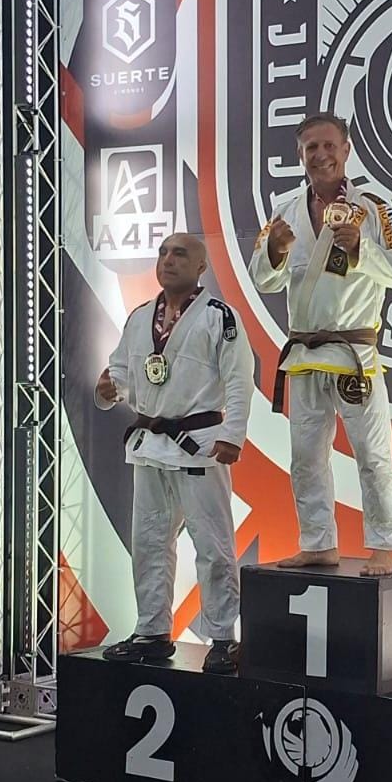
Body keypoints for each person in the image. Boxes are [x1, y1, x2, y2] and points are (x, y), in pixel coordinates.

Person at [249, 113, 392, 576]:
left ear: (346, 150)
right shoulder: (283, 210)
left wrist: (362, 250)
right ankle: (318, 543)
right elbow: (263, 279)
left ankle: (384, 545)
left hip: (354, 354)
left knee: (373, 454)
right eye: (310, 148)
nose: (320, 155)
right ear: (299, 155)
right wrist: (275, 251)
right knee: (305, 458)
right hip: (304, 354)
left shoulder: (374, 208)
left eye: (328, 146)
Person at [95, 233, 255, 672]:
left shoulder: (219, 316)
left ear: (201, 266)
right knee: (149, 543)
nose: (168, 260)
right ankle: (152, 631)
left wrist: (233, 434)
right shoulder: (139, 317)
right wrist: (109, 390)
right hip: (150, 446)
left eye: (180, 254)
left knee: (213, 544)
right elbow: (121, 372)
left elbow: (240, 379)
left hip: (199, 445)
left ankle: (223, 638)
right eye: (163, 253)